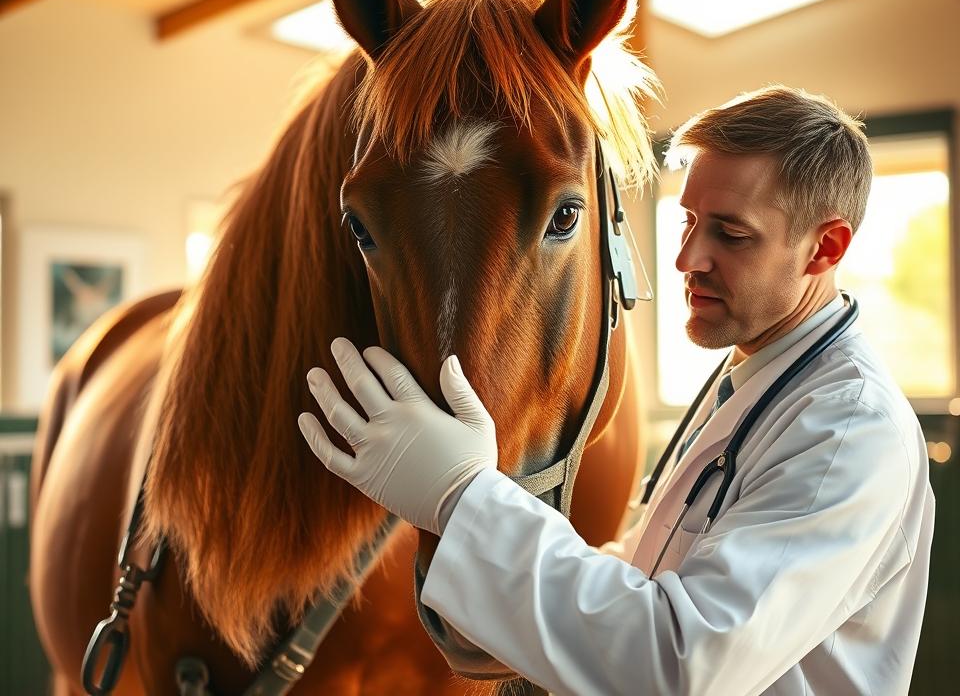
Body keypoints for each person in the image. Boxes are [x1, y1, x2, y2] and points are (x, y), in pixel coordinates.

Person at [297, 86, 935, 695]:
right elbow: (646, 576)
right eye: (687, 220)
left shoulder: (849, 430)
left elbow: (679, 666)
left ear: (825, 248)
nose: (686, 259)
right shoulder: (757, 379)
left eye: (730, 234)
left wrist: (465, 497)